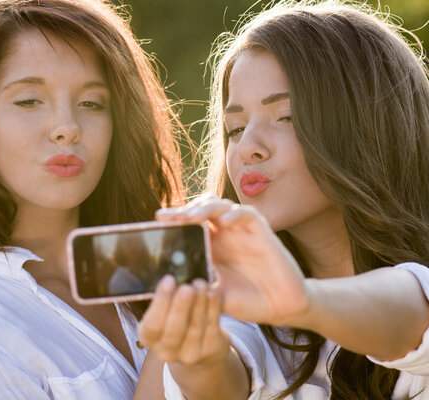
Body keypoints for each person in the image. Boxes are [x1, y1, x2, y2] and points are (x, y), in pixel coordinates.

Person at [136, 1, 429, 399]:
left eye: (286, 117)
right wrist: (196, 357)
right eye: (235, 128)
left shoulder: (404, 296)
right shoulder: (230, 295)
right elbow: (222, 373)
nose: (247, 149)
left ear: (369, 128)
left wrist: (302, 302)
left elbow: (411, 308)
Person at [0, 0, 186, 398]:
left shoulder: (150, 256)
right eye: (29, 101)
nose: (67, 127)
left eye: (92, 103)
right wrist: (176, 334)